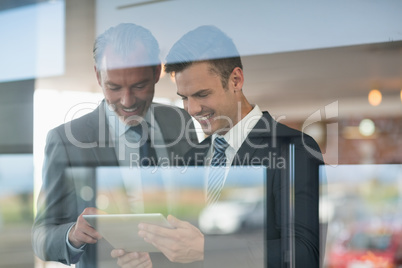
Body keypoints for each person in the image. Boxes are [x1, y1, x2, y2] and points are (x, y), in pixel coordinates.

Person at [136, 25, 324, 267]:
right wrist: (153, 258)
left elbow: (304, 253)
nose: (191, 109)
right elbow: (188, 251)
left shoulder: (293, 149)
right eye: (184, 97)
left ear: (236, 80)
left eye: (202, 94)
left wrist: (208, 249)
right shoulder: (192, 158)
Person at [32, 23, 198, 268]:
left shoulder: (182, 121)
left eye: (139, 86)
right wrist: (73, 235)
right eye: (114, 87)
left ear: (155, 72)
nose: (127, 101)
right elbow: (41, 236)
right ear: (99, 76)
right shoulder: (66, 140)